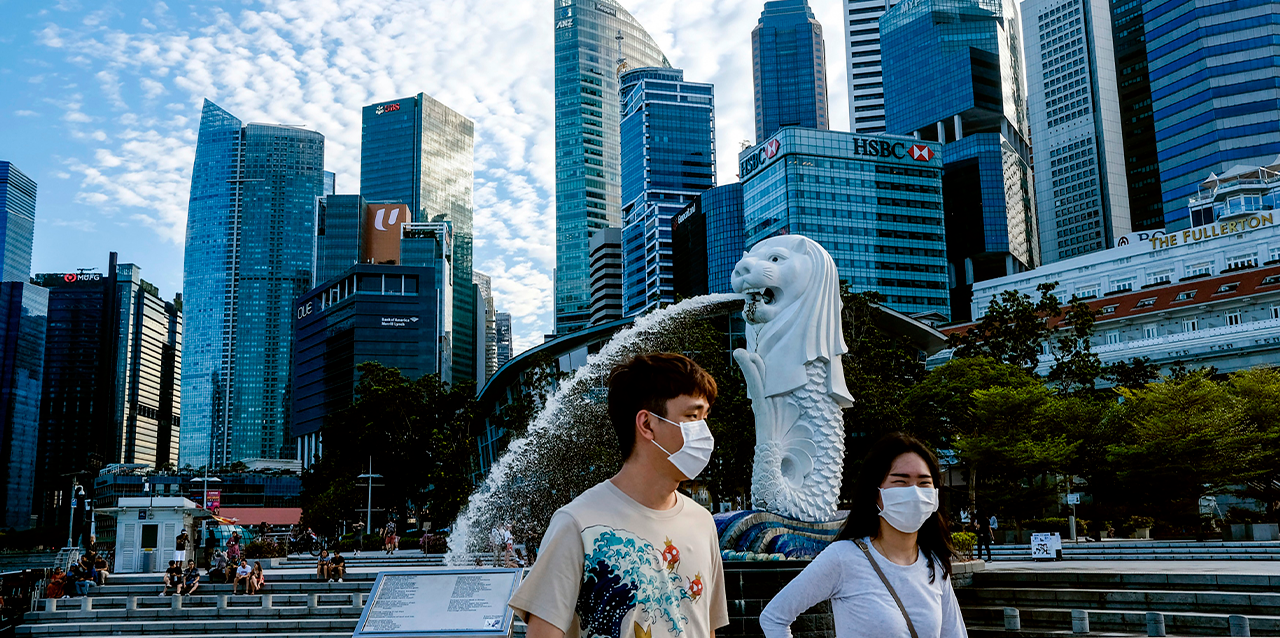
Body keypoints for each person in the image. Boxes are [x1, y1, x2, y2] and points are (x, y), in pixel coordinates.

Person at [508, 353, 728, 638]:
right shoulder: (576, 524)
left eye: (705, 417)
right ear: (647, 424)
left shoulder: (702, 522)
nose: (704, 432)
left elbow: (705, 629)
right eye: (692, 416)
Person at [759, 433, 967, 638]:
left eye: (923, 483)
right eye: (900, 482)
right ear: (875, 491)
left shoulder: (935, 565)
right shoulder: (843, 557)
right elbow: (774, 617)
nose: (914, 492)